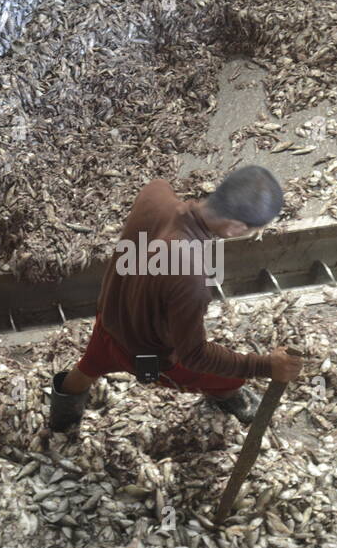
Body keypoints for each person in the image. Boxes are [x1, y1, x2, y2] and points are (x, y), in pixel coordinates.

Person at [49, 165, 303, 432]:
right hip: (146, 355)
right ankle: (227, 395)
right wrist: (264, 366)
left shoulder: (155, 193)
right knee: (225, 379)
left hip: (111, 319)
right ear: (235, 227)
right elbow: (194, 356)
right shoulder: (191, 279)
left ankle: (60, 425)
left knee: (87, 369)